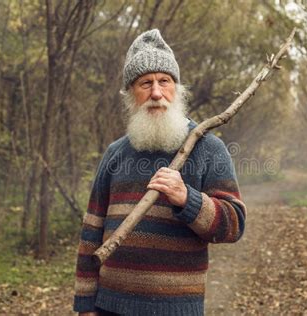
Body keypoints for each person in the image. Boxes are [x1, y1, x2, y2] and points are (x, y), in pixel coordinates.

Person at [73, 29, 247, 316]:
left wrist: (187, 199)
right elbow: (91, 231)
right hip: (109, 306)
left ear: (177, 89)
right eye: (145, 83)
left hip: (176, 308)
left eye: (164, 81)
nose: (156, 92)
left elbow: (234, 225)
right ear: (131, 94)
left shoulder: (208, 148)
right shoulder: (115, 153)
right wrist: (85, 304)